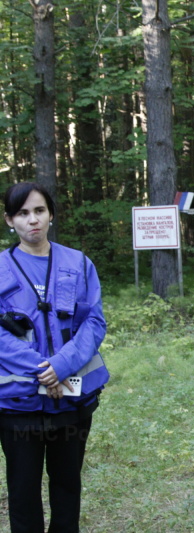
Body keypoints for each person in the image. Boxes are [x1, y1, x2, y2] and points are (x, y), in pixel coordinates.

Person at [0, 182, 110, 533]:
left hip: (71, 404)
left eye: (39, 211)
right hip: (18, 406)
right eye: (23, 213)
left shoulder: (78, 263)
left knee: (67, 488)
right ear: (9, 220)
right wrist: (43, 370)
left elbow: (93, 322)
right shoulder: (1, 267)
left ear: (51, 214)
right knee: (22, 491)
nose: (32, 220)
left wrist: (61, 365)